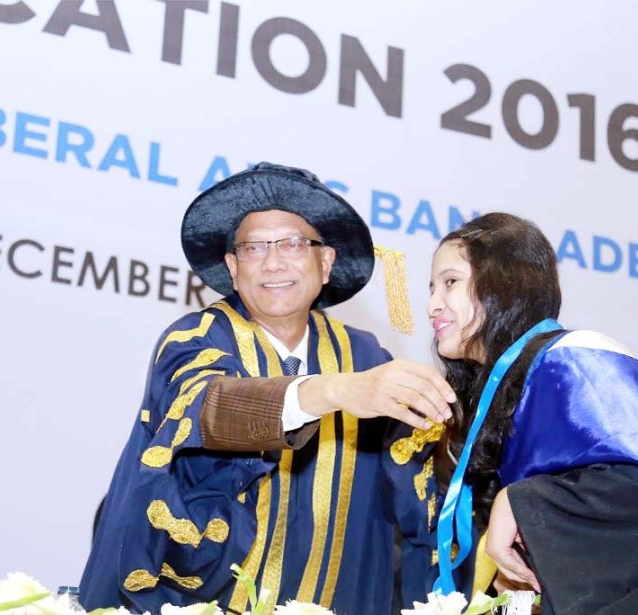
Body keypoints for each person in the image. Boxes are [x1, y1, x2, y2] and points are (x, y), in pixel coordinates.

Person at [80, 162, 452, 614]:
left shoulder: (366, 357)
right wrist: (328, 392)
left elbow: (421, 497)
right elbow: (208, 408)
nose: (273, 262)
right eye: (254, 249)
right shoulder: (196, 339)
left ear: (326, 262)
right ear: (233, 268)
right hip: (208, 600)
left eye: (294, 244)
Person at [426, 212, 638, 613]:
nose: (432, 306)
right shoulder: (513, 387)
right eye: (430, 288)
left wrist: (524, 503)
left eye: (450, 282)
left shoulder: (574, 365)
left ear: (505, 285)